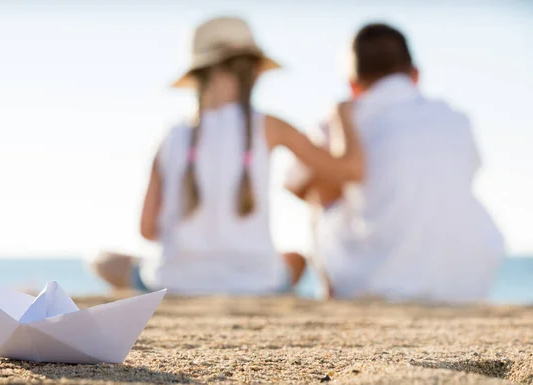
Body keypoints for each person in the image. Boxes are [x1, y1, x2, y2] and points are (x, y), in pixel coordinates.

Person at [92, 16, 363, 295]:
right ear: (255, 71)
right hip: (257, 283)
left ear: (197, 77)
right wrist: (342, 115)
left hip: (171, 281)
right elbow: (350, 170)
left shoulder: (171, 136)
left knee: (101, 259)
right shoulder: (272, 126)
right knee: (296, 259)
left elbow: (147, 230)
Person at [285, 23, 505, 303]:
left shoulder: (343, 118)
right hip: (469, 279)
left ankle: (332, 289)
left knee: (321, 186)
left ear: (353, 85)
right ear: (415, 75)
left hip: (376, 282)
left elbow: (295, 185)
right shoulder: (456, 119)